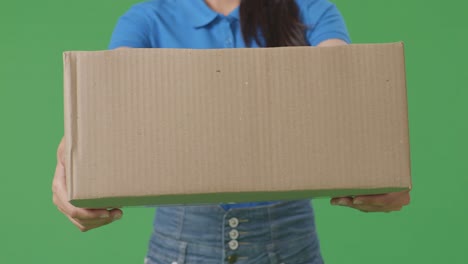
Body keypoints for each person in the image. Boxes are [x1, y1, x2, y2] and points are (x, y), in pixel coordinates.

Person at [52, 0, 411, 263]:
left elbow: (343, 86)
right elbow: (108, 102)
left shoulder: (309, 9)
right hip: (180, 244)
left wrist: (381, 160)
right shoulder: (149, 18)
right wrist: (73, 156)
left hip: (288, 240)